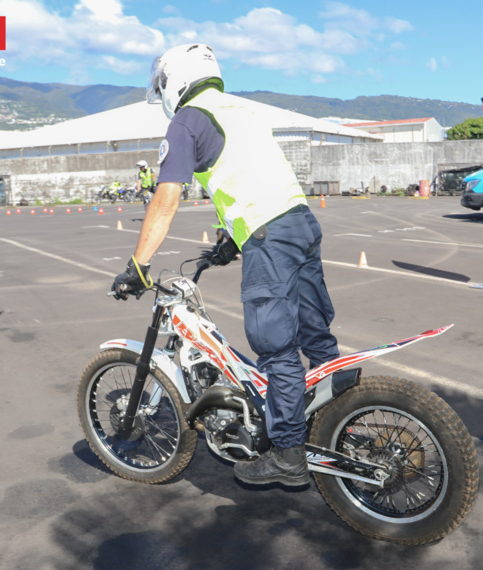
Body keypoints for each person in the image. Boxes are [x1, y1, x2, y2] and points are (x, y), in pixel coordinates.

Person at [111, 44, 339, 487]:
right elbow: (246, 172)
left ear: (173, 82)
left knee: (275, 346)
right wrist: (228, 239)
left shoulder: (188, 119)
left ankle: (289, 453)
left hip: (268, 235)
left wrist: (139, 266)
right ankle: (340, 410)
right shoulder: (241, 110)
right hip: (299, 223)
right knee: (315, 333)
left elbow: (166, 196)